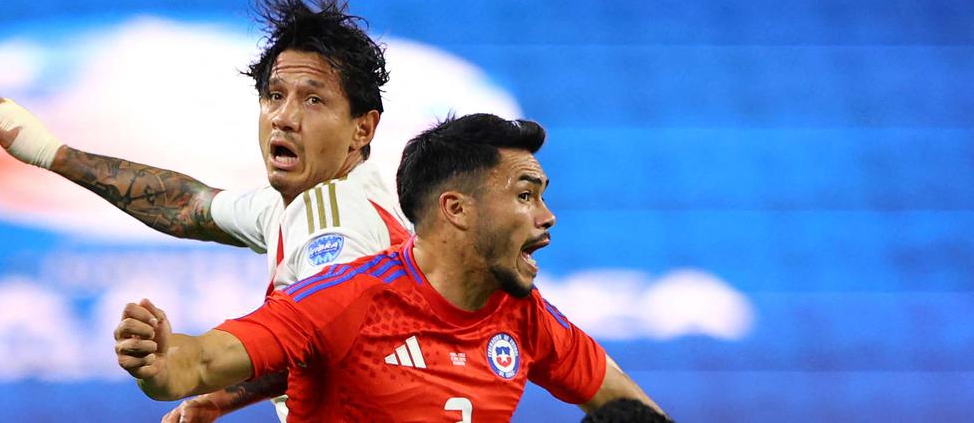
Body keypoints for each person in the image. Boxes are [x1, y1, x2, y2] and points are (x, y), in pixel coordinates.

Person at [0, 0, 412, 422]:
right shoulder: (310, 201)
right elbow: (186, 205)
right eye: (274, 96)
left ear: (363, 129)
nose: (284, 118)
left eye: (313, 101)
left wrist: (181, 367)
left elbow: (311, 338)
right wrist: (52, 153)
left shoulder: (334, 222)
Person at [113, 113, 665, 421]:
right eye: (525, 196)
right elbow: (201, 362)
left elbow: (631, 408)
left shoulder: (524, 317)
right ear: (456, 210)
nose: (546, 217)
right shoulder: (345, 300)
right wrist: (159, 363)